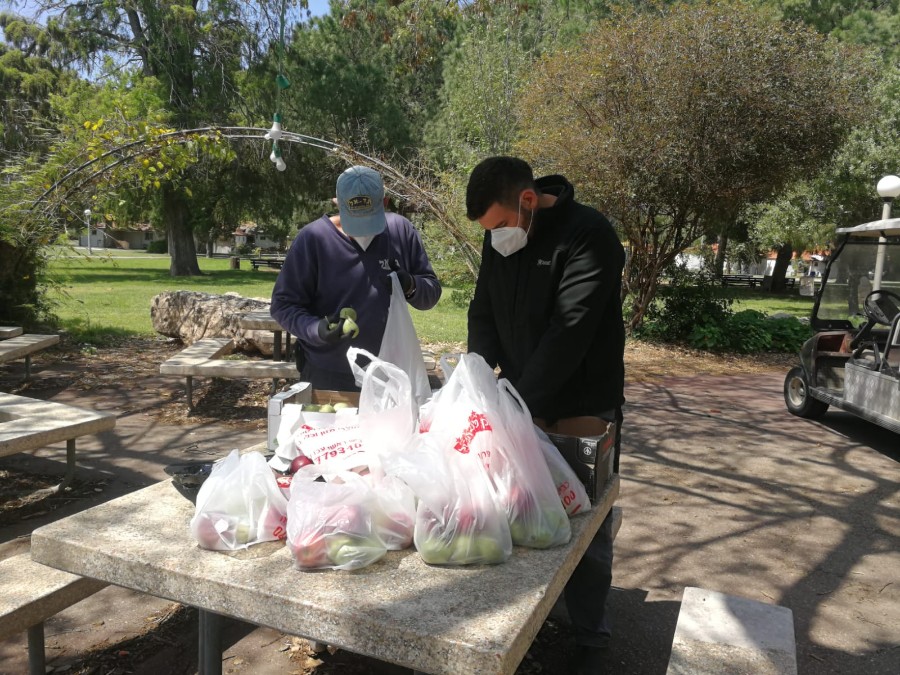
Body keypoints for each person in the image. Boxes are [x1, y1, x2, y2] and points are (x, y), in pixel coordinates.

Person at [465, 156, 625, 675]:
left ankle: (590, 637)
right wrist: (476, 378)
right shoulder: (502, 237)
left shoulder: (589, 235)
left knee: (584, 521)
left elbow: (570, 331)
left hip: (581, 407)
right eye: (489, 233)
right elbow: (482, 310)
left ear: (528, 201)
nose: (498, 239)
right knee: (517, 509)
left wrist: (514, 404)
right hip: (520, 404)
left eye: (500, 225)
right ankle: (525, 622)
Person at [271, 165, 441, 391]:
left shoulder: (401, 231)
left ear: (384, 202)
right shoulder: (313, 239)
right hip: (328, 373)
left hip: (389, 371)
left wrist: (410, 285)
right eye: (354, 220)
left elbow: (430, 293)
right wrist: (316, 329)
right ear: (336, 203)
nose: (362, 232)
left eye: (369, 219)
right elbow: (283, 305)